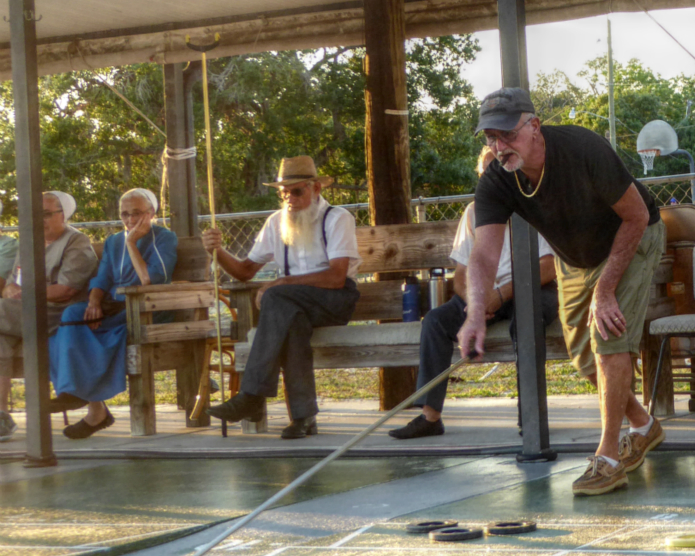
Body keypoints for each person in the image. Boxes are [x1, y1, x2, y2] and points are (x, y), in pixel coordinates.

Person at [459, 88, 666, 496]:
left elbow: (636, 215)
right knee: (584, 355)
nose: (500, 147)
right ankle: (644, 426)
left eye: (507, 135)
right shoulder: (497, 180)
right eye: (490, 138)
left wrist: (606, 290)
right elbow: (483, 255)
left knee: (608, 336)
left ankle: (608, 459)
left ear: (533, 126)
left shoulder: (582, 148)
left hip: (631, 236)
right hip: (573, 257)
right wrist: (474, 311)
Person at [390, 146, 560, 440]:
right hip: (484, 297)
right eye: (485, 175)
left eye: (499, 171)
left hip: (532, 290)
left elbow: (549, 267)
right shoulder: (472, 212)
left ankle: (530, 417)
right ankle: (431, 417)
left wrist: (501, 295)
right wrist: (476, 302)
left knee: (527, 321)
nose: (492, 180)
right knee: (435, 321)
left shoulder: (536, 204)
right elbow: (460, 276)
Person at [203, 156, 360, 439]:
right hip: (293, 306)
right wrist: (217, 251)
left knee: (277, 298)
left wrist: (282, 282)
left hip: (334, 301)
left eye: (297, 191)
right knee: (292, 323)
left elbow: (336, 277)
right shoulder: (276, 222)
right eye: (283, 192)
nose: (290, 198)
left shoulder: (337, 218)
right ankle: (303, 418)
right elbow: (245, 272)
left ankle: (251, 397)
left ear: (316, 190)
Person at [48, 189, 177, 438]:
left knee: (75, 331)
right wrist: (94, 301)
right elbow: (103, 276)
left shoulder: (164, 238)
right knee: (70, 318)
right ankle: (77, 395)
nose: (129, 219)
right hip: (115, 309)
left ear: (151, 213)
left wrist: (132, 243)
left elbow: (150, 279)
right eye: (125, 214)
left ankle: (82, 398)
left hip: (147, 310)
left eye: (137, 213)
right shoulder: (113, 241)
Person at [0, 192, 98, 438]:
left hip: (56, 315)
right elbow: (11, 284)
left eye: (45, 214)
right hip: (21, 313)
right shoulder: (30, 242)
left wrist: (24, 294)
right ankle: (1, 416)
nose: (38, 219)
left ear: (62, 214)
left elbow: (66, 290)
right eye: (34, 214)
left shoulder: (76, 241)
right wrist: (12, 290)